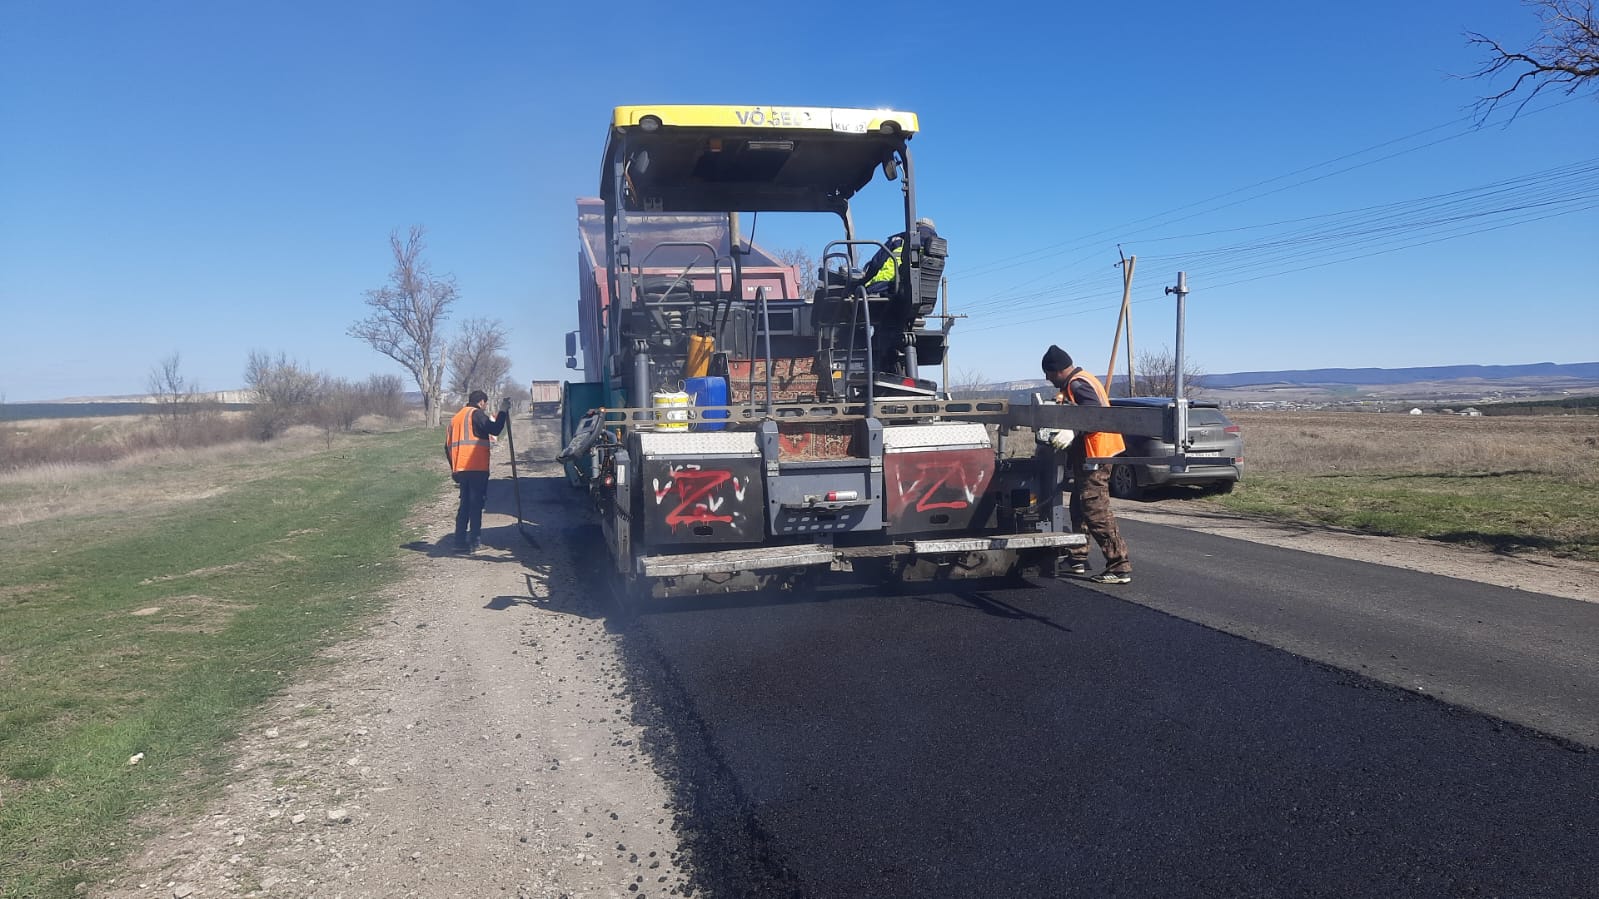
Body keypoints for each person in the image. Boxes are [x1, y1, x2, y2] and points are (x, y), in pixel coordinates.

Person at [1041, 344, 1132, 584]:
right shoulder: (1079, 381)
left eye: (1049, 375)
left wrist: (1072, 430)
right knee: (1079, 507)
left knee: (1095, 509)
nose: (1048, 379)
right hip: (1094, 452)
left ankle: (1119, 566)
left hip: (1096, 454)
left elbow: (1094, 413)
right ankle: (1077, 557)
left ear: (1058, 370)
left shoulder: (1077, 384)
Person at [856, 217, 938, 373]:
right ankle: (888, 361)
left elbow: (875, 264)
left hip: (883, 289)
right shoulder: (935, 246)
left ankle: (871, 359)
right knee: (889, 327)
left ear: (916, 226)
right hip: (917, 297)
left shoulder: (900, 239)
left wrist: (861, 283)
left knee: (851, 315)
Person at [445, 390, 510, 553]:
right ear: (481, 402)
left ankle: (459, 541)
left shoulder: (456, 418)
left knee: (465, 504)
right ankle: (475, 542)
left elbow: (447, 447)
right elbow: (494, 429)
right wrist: (503, 411)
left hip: (461, 468)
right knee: (476, 504)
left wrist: (454, 468)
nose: (485, 407)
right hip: (476, 466)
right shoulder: (476, 414)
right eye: (485, 404)